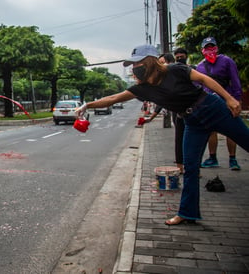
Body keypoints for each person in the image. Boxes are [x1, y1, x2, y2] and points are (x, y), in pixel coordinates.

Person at [75, 44, 249, 225]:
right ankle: (187, 213)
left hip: (212, 108)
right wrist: (87, 106)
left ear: (150, 61)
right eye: (133, 65)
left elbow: (205, 80)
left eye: (137, 63)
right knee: (190, 168)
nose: (135, 68)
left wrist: (229, 99)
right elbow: (112, 98)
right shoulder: (142, 89)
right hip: (192, 121)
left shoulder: (175, 69)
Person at [196, 37, 243, 170]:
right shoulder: (200, 66)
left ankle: (233, 159)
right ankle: (212, 158)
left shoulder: (226, 61)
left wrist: (237, 99)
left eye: (212, 47)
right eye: (207, 48)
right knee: (211, 131)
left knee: (231, 130)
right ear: (202, 50)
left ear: (216, 48)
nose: (210, 50)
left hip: (227, 101)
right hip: (209, 103)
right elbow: (199, 87)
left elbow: (235, 81)